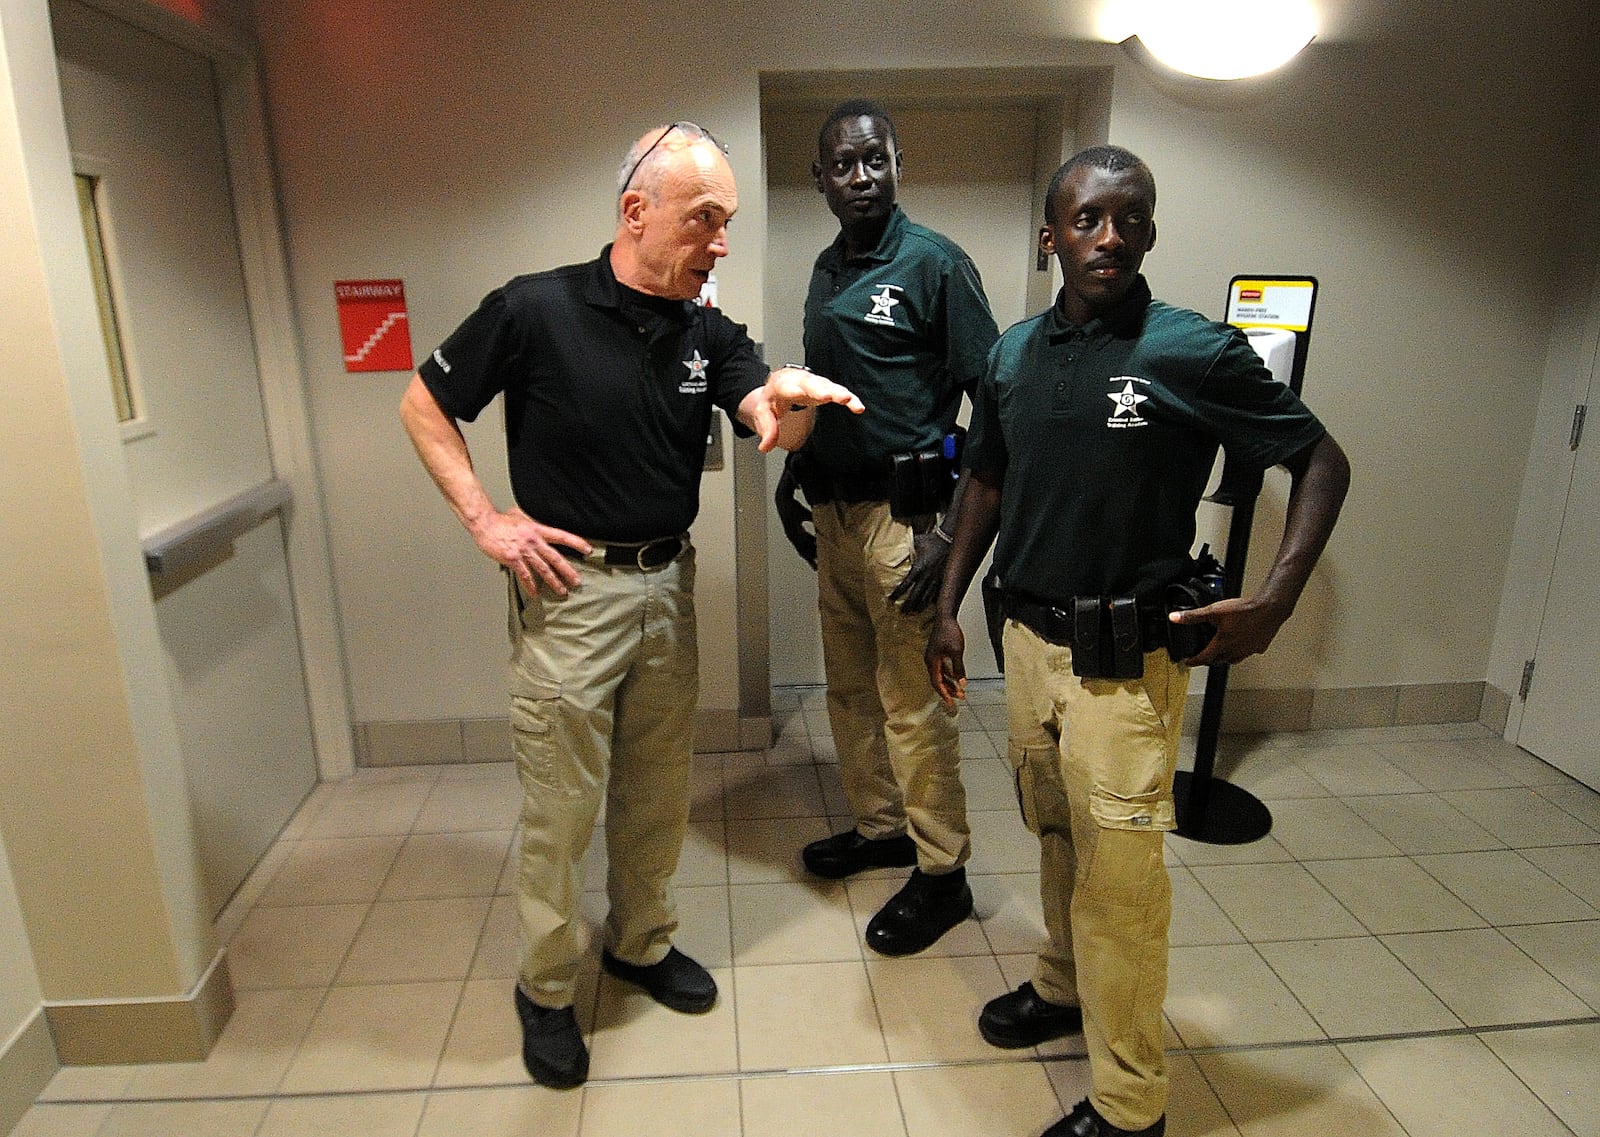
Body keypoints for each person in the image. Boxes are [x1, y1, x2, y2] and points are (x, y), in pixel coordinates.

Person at [399, 122, 863, 1090]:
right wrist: (487, 520)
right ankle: (548, 987)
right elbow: (424, 404)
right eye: (704, 221)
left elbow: (763, 420)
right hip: (568, 598)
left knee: (655, 794)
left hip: (666, 590)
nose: (720, 244)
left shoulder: (708, 331)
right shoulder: (535, 309)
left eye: (727, 223)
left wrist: (795, 394)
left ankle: (641, 945)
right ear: (635, 211)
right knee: (561, 813)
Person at [926, 145, 1350, 1137]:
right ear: (1052, 235)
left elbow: (1317, 458)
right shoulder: (1013, 353)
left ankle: (1130, 1106)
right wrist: (948, 604)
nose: (1107, 236)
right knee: (1057, 834)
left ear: (1149, 231)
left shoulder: (1188, 349)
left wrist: (1277, 596)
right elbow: (983, 480)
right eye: (1086, 219)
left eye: (1128, 218)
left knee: (1121, 890)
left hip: (1126, 667)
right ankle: (1061, 989)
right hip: (1025, 648)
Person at [773, 99, 999, 955]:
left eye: (875, 160)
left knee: (912, 701)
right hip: (834, 513)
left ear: (899, 164)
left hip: (908, 519)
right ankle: (881, 828)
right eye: (842, 164)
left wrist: (949, 535)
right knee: (849, 686)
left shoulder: (936, 264)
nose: (860, 177)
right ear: (821, 178)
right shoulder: (828, 269)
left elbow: (995, 406)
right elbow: (827, 389)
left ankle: (943, 872)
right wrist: (800, 474)